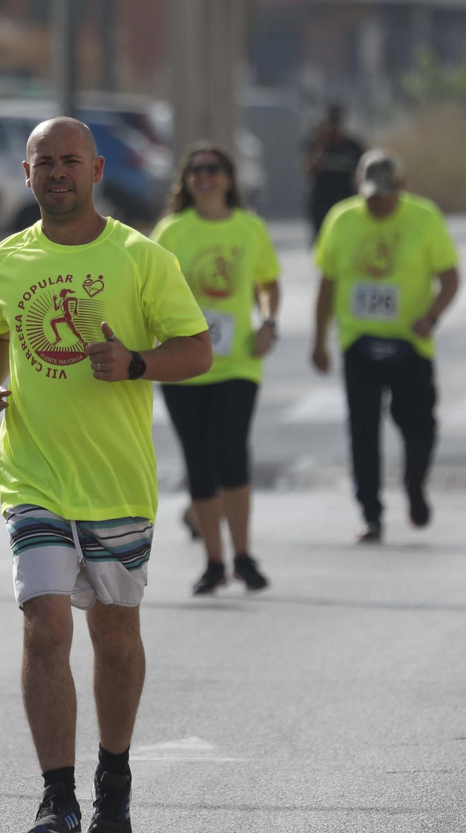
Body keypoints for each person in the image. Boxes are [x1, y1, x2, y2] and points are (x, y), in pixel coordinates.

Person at [0, 117, 209, 833]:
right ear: (27, 172)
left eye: (70, 160)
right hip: (33, 474)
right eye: (44, 162)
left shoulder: (141, 257)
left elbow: (197, 350)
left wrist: (136, 364)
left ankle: (114, 782)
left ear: (97, 169)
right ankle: (57, 799)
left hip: (115, 484)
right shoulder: (3, 260)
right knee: (45, 624)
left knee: (114, 636)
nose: (57, 173)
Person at [151, 143, 280, 593]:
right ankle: (213, 561)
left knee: (231, 452)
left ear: (229, 179)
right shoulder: (170, 231)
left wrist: (268, 320)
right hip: (183, 362)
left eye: (213, 169)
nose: (204, 177)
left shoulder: (249, 228)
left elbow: (267, 282)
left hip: (237, 363)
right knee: (198, 461)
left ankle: (243, 555)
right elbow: (149, 289)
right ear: (186, 182)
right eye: (196, 170)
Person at [312, 150, 459, 542]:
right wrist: (318, 339)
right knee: (362, 429)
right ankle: (371, 513)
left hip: (410, 340)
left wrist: (431, 317)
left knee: (419, 423)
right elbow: (327, 284)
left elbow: (450, 278)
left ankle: (414, 483)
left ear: (402, 188)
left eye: (385, 194)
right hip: (358, 341)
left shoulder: (424, 218)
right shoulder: (342, 219)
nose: (378, 202)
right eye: (370, 194)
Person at [303, 105, 366, 245]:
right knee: (322, 242)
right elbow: (309, 171)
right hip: (322, 203)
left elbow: (361, 176)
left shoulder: (352, 146)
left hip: (346, 201)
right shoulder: (315, 144)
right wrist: (322, 145)